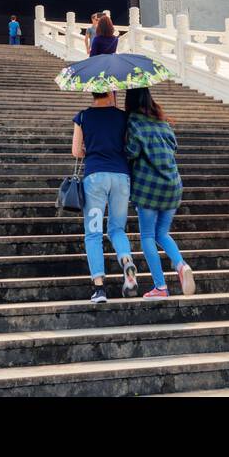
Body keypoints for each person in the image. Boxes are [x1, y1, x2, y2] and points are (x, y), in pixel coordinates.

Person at [124, 87, 195, 299]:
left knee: (147, 235)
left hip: (148, 187)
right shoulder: (163, 122)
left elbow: (132, 152)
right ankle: (181, 265)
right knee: (162, 233)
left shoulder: (134, 122)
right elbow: (174, 147)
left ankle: (161, 286)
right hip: (172, 185)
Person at [71, 90, 138, 302]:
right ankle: (126, 261)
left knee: (93, 233)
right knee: (117, 228)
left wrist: (88, 149)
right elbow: (128, 146)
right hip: (120, 175)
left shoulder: (82, 116)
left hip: (95, 176)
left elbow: (75, 151)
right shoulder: (122, 117)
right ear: (110, 92)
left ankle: (99, 289)